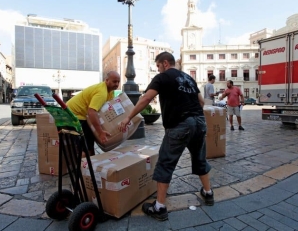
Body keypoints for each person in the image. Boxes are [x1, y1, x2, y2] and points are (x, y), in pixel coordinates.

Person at [119, 52, 214, 221]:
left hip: (180, 124)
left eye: (157, 66)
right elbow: (201, 102)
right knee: (200, 158)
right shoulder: (189, 79)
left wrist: (128, 117)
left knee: (165, 163)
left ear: (164, 63)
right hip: (199, 122)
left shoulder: (162, 78)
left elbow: (146, 98)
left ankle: (160, 207)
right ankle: (208, 193)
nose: (158, 69)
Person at [66, 71, 120, 156]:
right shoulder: (102, 93)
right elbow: (91, 112)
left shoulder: (110, 92)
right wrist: (100, 132)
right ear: (107, 80)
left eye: (118, 82)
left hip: (81, 114)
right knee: (86, 146)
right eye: (114, 81)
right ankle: (84, 166)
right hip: (75, 115)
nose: (116, 84)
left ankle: (90, 163)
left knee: (89, 144)